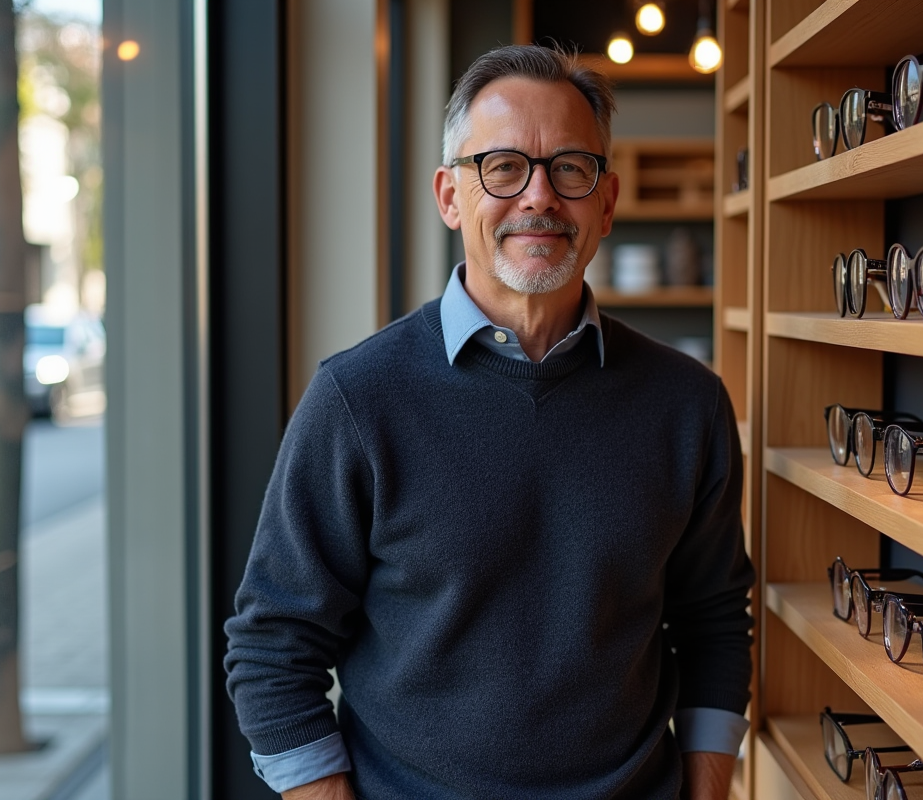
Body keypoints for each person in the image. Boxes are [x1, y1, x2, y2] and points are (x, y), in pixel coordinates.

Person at [224, 44, 754, 800]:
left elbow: (713, 623)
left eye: (571, 168)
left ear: (606, 202)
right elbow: (273, 645)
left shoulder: (688, 403)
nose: (539, 197)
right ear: (450, 196)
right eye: (503, 167)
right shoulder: (357, 399)